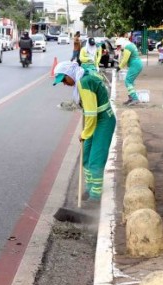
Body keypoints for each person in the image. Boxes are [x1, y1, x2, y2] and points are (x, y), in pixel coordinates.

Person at [53, 61, 116, 202]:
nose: (64, 83)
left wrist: (85, 134)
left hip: (104, 121)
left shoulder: (84, 82)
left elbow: (92, 113)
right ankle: (89, 188)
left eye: (64, 79)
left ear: (69, 74)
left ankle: (95, 196)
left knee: (95, 159)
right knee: (86, 155)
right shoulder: (82, 77)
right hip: (94, 121)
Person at [117, 37, 144, 106]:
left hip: (135, 65)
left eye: (119, 46)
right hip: (137, 64)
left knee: (128, 81)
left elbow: (125, 59)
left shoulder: (127, 47)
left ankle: (135, 98)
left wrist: (119, 67)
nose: (119, 48)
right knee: (130, 82)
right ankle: (131, 98)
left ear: (121, 44)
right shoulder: (130, 45)